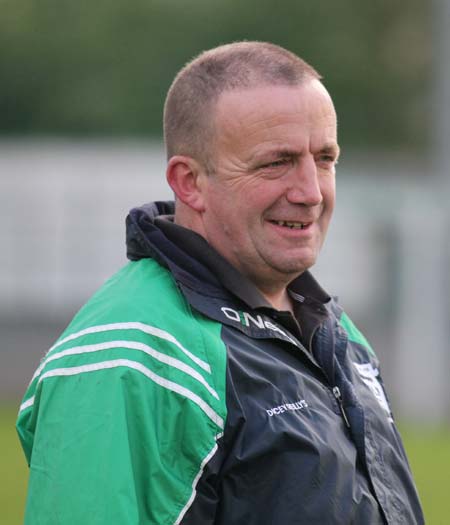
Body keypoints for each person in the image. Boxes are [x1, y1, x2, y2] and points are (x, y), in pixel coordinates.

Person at [17, 41, 424, 524]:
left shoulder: (333, 331)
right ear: (189, 182)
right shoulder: (133, 358)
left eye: (324, 159)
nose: (311, 192)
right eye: (277, 162)